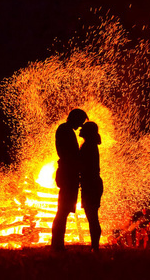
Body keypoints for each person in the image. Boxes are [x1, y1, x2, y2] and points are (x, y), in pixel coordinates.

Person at [51, 108, 88, 251]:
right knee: (62, 211)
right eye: (80, 121)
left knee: (63, 211)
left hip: (68, 173)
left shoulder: (66, 130)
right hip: (67, 173)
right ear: (75, 118)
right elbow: (69, 154)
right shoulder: (65, 130)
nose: (80, 126)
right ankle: (57, 245)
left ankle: (58, 244)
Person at [79, 121, 104, 252]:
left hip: (91, 184)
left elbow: (82, 165)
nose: (79, 130)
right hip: (92, 183)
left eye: (82, 128)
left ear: (87, 132)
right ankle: (94, 246)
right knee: (92, 216)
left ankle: (95, 247)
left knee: (92, 217)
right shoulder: (91, 145)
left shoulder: (88, 146)